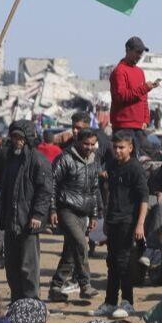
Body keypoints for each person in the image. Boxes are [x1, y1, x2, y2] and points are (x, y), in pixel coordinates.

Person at [0, 122, 53, 302]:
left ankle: (31, 303)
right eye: (14, 137)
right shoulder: (10, 158)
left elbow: (45, 191)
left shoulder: (37, 160)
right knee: (11, 266)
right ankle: (17, 302)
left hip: (28, 221)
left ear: (27, 139)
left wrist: (37, 215)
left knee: (28, 266)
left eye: (20, 138)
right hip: (11, 221)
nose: (16, 141)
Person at [99, 130, 152, 318]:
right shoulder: (112, 165)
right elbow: (110, 195)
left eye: (121, 147)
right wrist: (106, 220)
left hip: (128, 221)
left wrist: (140, 224)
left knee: (124, 263)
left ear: (130, 148)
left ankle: (127, 302)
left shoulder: (135, 168)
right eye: (115, 147)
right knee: (112, 262)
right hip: (113, 220)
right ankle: (110, 302)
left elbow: (144, 198)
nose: (117, 150)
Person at [49, 127, 103, 304]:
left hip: (83, 211)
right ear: (78, 142)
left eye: (92, 144)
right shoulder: (65, 159)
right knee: (81, 244)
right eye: (86, 143)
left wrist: (94, 215)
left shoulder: (94, 161)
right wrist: (52, 210)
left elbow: (95, 189)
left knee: (71, 251)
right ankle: (85, 284)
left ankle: (56, 287)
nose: (89, 147)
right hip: (66, 209)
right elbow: (52, 185)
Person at [109, 36, 159, 154]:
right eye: (137, 52)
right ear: (127, 50)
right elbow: (121, 96)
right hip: (123, 125)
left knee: (149, 154)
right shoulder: (119, 71)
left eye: (141, 53)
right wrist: (144, 88)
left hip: (138, 126)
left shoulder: (140, 72)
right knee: (124, 159)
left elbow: (143, 99)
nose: (139, 55)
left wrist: (146, 119)